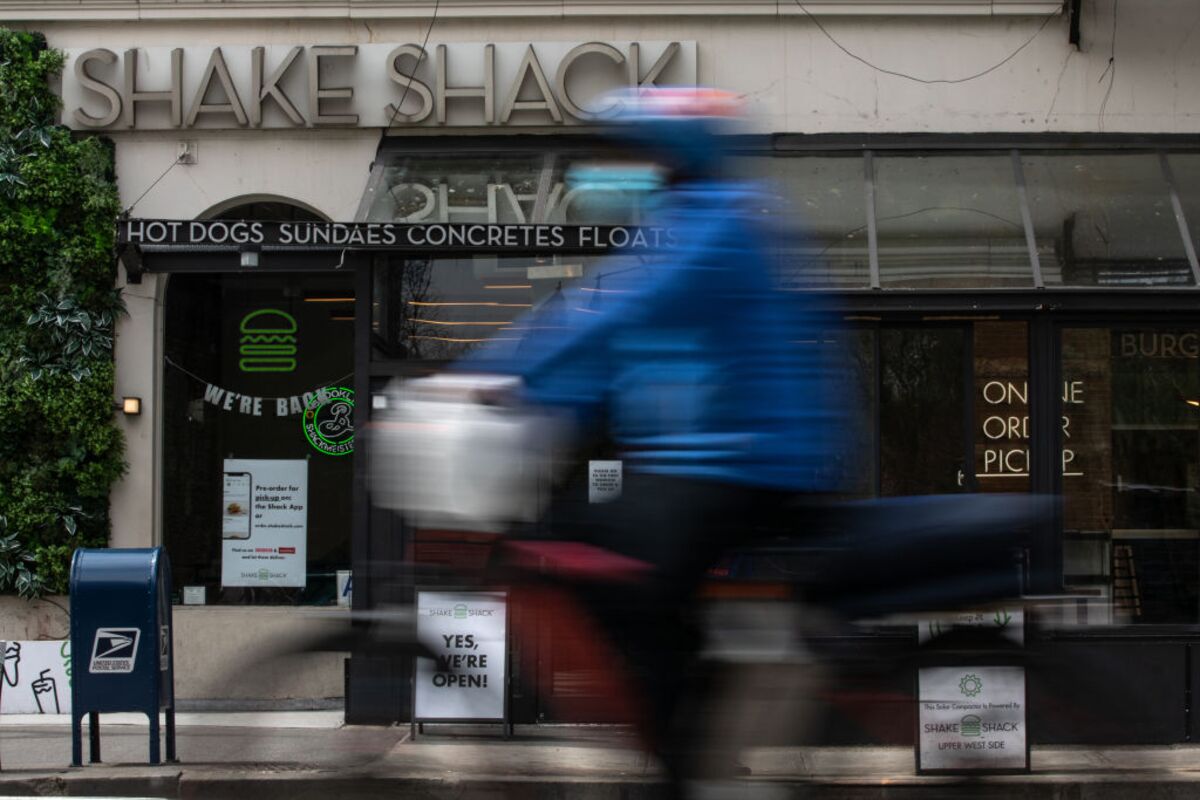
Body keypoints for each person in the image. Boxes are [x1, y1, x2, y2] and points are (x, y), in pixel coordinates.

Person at [451, 87, 850, 789]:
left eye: (636, 151)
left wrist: (491, 376)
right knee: (576, 537)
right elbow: (613, 357)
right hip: (696, 461)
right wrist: (538, 400)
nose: (622, 166)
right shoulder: (674, 225)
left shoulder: (721, 222)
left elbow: (616, 315)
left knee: (626, 579)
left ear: (674, 156)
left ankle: (685, 761)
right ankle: (680, 718)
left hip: (756, 460)